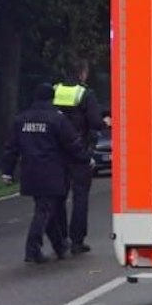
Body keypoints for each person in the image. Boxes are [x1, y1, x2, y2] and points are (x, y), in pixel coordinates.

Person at [2, 91, 88, 264]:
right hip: (51, 172)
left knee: (48, 210)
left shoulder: (21, 119)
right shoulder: (57, 119)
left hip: (30, 172)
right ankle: (32, 249)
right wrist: (85, 159)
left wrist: (7, 171)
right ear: (52, 98)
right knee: (44, 211)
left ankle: (60, 246)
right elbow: (72, 144)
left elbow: (11, 148)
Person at [52, 56, 109, 255]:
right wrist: (104, 122)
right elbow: (94, 122)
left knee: (58, 197)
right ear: (83, 73)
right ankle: (77, 241)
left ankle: (60, 239)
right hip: (80, 151)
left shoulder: (55, 90)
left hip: (57, 153)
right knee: (80, 197)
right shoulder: (85, 93)